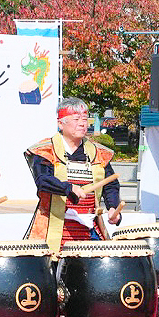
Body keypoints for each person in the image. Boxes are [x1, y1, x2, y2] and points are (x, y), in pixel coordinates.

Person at [24, 97, 122, 252]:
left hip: (89, 228)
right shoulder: (45, 150)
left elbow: (110, 185)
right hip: (54, 227)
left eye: (85, 119)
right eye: (76, 119)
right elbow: (43, 180)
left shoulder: (98, 152)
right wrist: (68, 188)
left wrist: (113, 208)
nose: (83, 123)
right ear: (60, 123)